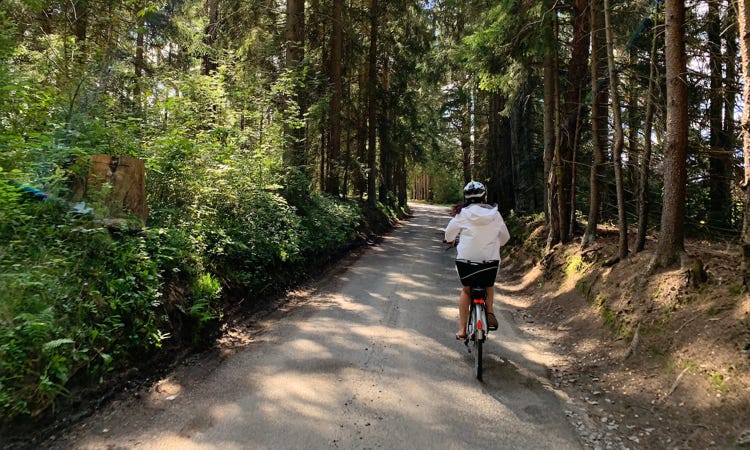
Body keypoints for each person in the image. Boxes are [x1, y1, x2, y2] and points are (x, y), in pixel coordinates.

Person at [444, 181, 510, 340]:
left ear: (466, 198)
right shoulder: (495, 214)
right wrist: (496, 241)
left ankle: (462, 329)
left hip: (466, 263)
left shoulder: (462, 214)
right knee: (488, 283)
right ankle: (490, 311)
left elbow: (448, 236)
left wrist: (453, 240)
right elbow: (505, 238)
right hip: (490, 264)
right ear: (483, 197)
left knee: (467, 290)